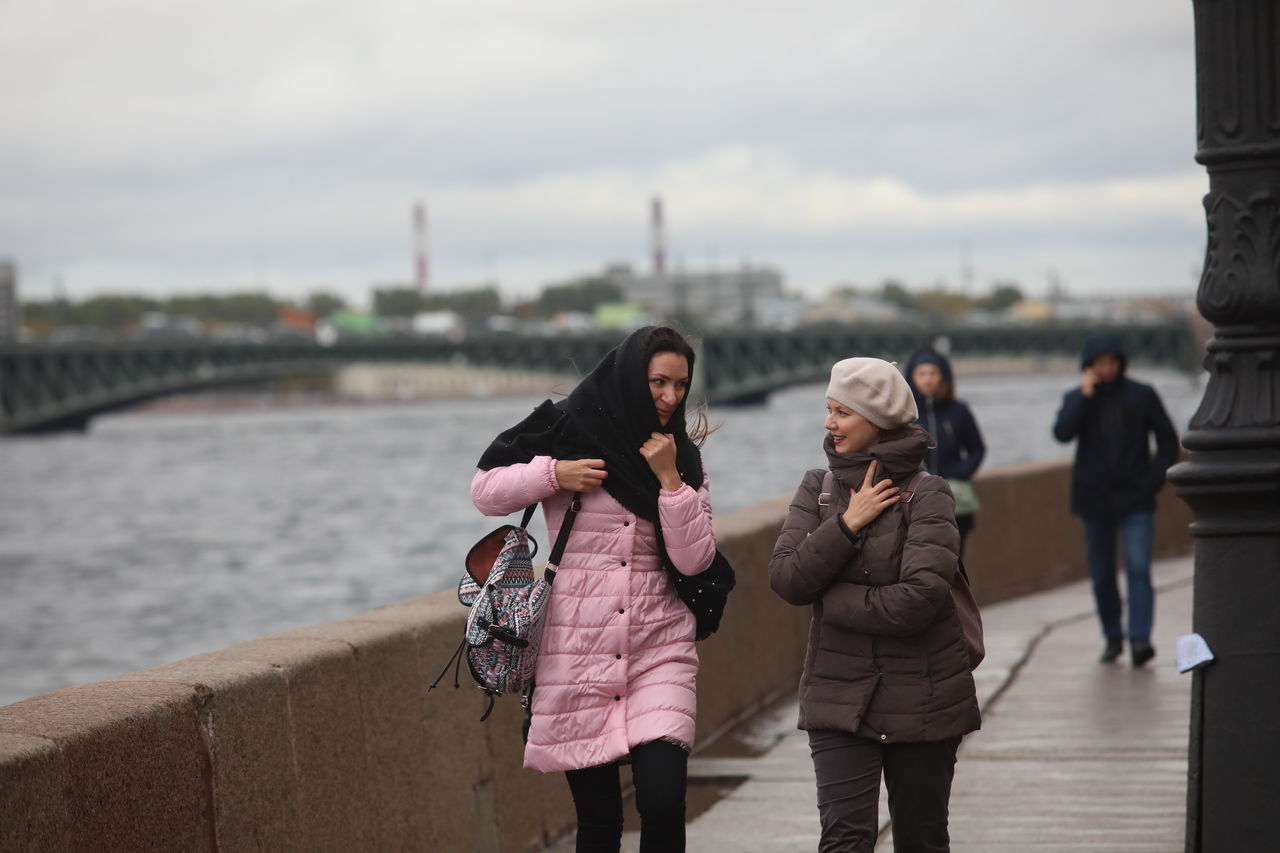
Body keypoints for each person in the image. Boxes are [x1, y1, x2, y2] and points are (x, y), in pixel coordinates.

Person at [470, 325, 717, 853]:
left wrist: (670, 481)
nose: (671, 397)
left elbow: (696, 560)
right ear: (632, 376)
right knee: (600, 822)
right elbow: (485, 489)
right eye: (658, 382)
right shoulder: (566, 428)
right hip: (577, 651)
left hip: (660, 646)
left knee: (663, 800)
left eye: (680, 384)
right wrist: (554, 474)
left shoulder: (684, 459)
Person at [770, 357, 981, 853]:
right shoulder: (816, 489)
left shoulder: (929, 495)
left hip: (925, 696)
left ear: (877, 419)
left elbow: (921, 598)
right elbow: (787, 579)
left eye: (842, 412)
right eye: (829, 410)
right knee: (843, 840)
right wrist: (847, 525)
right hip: (838, 698)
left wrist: (833, 601)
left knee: (922, 838)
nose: (829, 423)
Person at [1052, 331, 1179, 667]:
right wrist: (1084, 396)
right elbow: (1062, 434)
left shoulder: (1142, 395)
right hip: (1093, 501)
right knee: (1102, 574)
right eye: (1098, 363)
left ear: (1120, 363)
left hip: (1135, 498)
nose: (1106, 369)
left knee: (1138, 569)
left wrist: (1152, 481)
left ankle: (1140, 640)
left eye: (1111, 362)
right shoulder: (1077, 397)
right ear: (1088, 366)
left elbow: (1168, 441)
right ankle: (1112, 637)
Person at [905, 347, 986, 557]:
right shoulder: (905, 415)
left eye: (933, 373)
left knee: (955, 563)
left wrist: (958, 474)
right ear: (912, 378)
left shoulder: (959, 410)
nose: (927, 379)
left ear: (943, 377)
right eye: (921, 374)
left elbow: (977, 449)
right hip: (916, 502)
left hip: (955, 502)